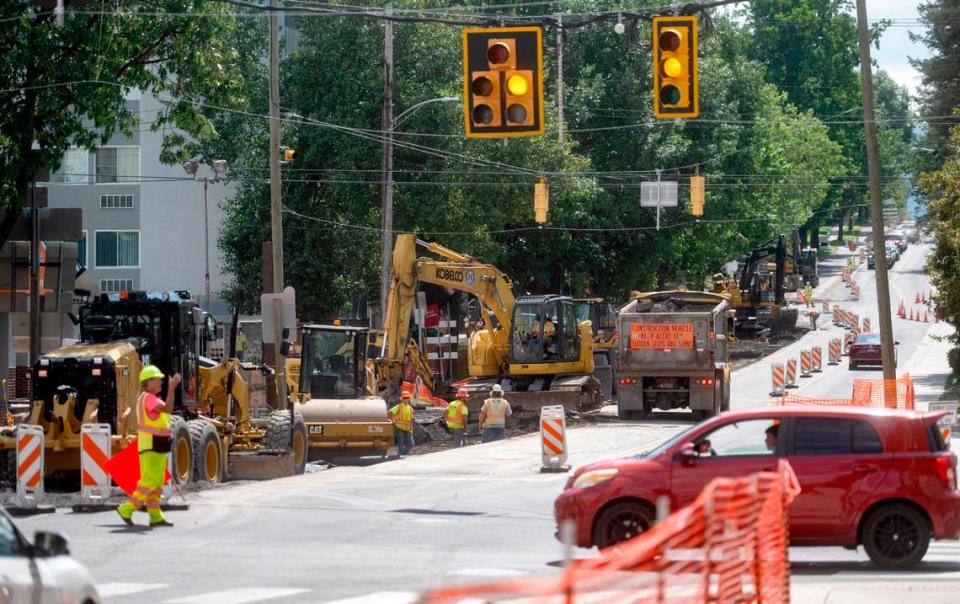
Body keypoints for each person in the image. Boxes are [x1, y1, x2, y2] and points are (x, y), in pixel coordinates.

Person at [117, 365, 180, 528]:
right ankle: (127, 508)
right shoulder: (149, 398)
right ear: (148, 382)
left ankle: (155, 516)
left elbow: (164, 411)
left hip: (155, 445)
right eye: (157, 379)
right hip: (152, 445)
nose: (160, 382)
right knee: (150, 481)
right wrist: (172, 387)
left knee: (157, 482)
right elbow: (168, 408)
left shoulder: (149, 398)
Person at [389, 391, 415, 456]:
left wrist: (411, 428)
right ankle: (400, 455)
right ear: (402, 399)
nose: (406, 399)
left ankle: (402, 454)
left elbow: (411, 419)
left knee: (411, 444)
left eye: (407, 398)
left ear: (409, 399)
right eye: (404, 398)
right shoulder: (399, 406)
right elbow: (390, 412)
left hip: (407, 429)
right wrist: (392, 420)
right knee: (401, 444)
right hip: (399, 428)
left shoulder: (411, 409)